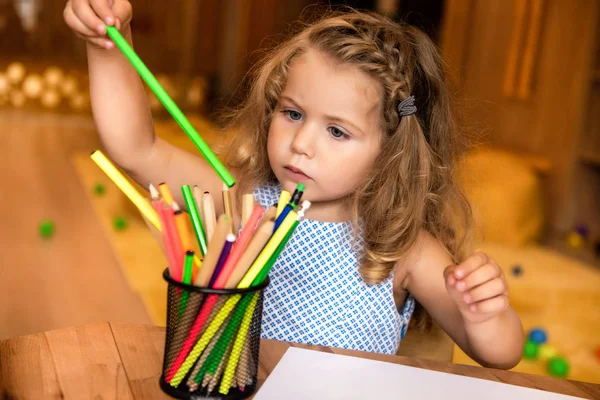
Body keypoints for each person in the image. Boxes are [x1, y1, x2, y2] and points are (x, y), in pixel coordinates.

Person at [64, 1, 524, 368]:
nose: (301, 143)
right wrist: (110, 43)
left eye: (337, 131)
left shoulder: (403, 248)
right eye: (293, 113)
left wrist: (487, 314)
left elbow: (499, 355)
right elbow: (135, 149)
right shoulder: (242, 198)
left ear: (391, 151)